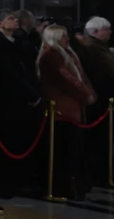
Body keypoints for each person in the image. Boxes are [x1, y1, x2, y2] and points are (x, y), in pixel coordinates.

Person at [0, 9, 42, 197]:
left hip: (20, 100)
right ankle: (4, 183)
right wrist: (30, 94)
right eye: (10, 18)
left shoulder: (16, 44)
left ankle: (16, 181)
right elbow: (8, 75)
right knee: (7, 141)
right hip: (7, 100)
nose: (15, 20)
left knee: (19, 140)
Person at [38, 25, 96, 200]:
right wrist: (85, 95)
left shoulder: (69, 54)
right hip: (62, 110)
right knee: (63, 151)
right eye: (63, 36)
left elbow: (81, 77)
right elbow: (65, 80)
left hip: (74, 108)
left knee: (74, 150)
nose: (67, 39)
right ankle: (60, 187)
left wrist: (89, 92)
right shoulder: (50, 56)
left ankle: (73, 185)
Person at [72, 16, 114, 185]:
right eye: (107, 29)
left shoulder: (99, 48)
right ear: (96, 31)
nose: (110, 32)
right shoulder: (92, 49)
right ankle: (98, 175)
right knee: (98, 141)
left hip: (103, 100)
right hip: (98, 100)